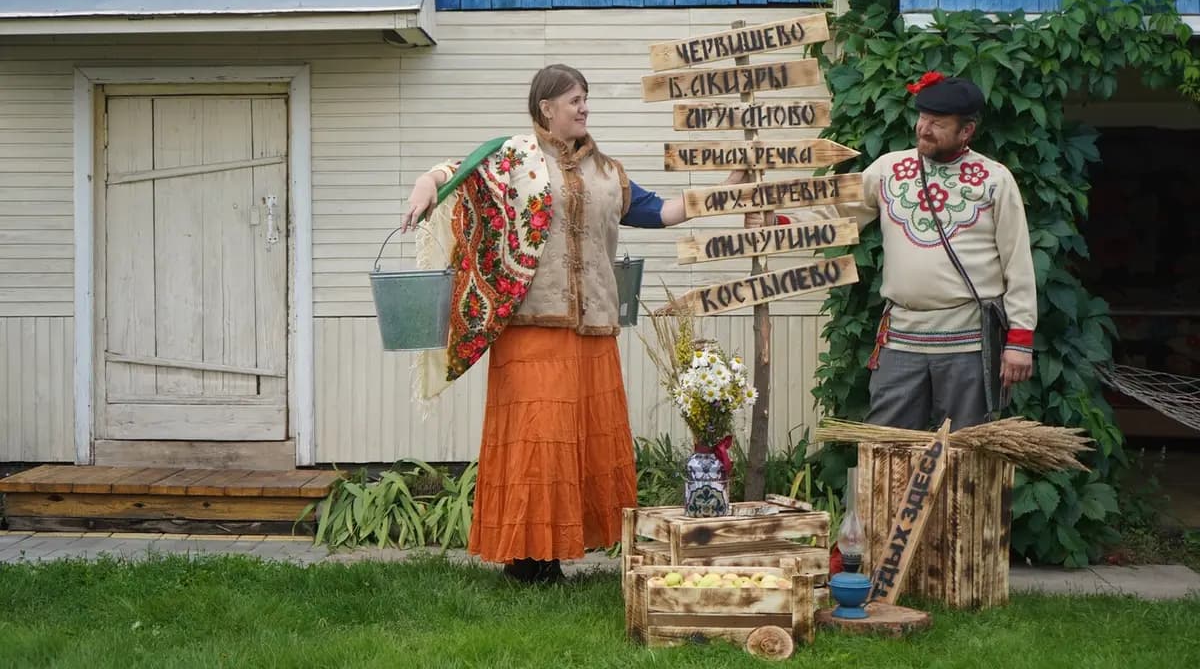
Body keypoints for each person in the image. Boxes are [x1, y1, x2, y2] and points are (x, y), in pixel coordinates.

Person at [402, 64, 747, 583]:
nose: (585, 108)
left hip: (593, 329)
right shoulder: (514, 159)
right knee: (538, 444)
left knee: (580, 442)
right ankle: (526, 561)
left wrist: (725, 192)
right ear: (547, 108)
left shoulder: (607, 171)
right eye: (575, 100)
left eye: (586, 100)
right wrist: (424, 185)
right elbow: (455, 170)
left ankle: (556, 554)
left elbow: (661, 211)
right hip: (531, 327)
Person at [801, 72, 1036, 431]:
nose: (924, 129)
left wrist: (1020, 340)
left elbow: (1017, 261)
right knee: (886, 449)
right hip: (901, 342)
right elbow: (835, 213)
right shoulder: (888, 170)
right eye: (922, 118)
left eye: (937, 123)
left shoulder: (995, 179)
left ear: (966, 131)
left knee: (964, 454)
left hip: (969, 346)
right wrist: (779, 221)